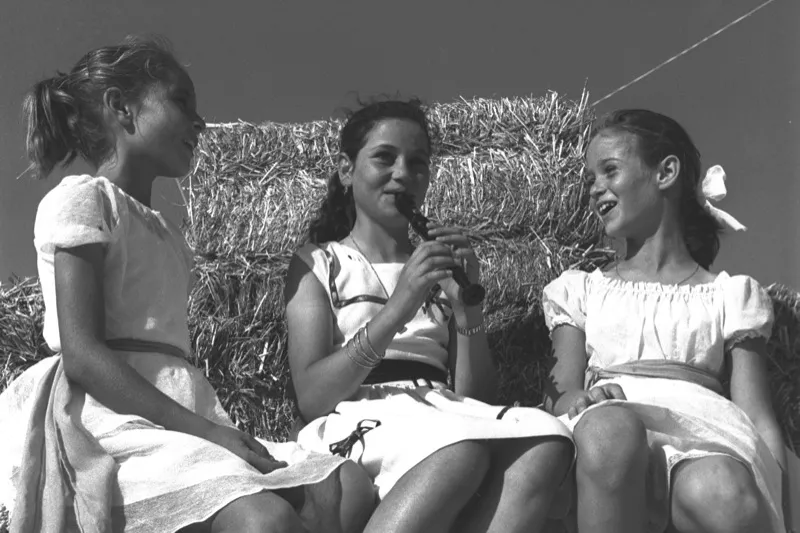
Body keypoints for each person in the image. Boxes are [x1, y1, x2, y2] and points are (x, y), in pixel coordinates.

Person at [0, 36, 375, 533]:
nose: (200, 122)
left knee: (347, 485)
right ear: (121, 108)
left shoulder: (163, 231)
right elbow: (84, 355)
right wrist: (207, 432)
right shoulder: (83, 200)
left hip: (180, 408)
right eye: (181, 101)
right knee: (262, 521)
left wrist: (207, 426)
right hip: (112, 416)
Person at [284, 99, 574, 533]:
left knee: (547, 438)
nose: (403, 173)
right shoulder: (319, 263)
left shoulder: (437, 267)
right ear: (347, 170)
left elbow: (476, 396)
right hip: (363, 411)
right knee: (459, 449)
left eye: (417, 163)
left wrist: (466, 307)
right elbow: (311, 396)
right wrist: (400, 305)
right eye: (385, 157)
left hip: (441, 408)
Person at [542, 109, 790, 533]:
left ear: (666, 172)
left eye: (610, 171)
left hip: (705, 431)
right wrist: (572, 402)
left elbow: (756, 412)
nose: (596, 188)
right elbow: (559, 389)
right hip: (608, 422)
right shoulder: (581, 289)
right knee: (610, 434)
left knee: (723, 493)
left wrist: (783, 508)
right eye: (590, 180)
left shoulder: (729, 294)